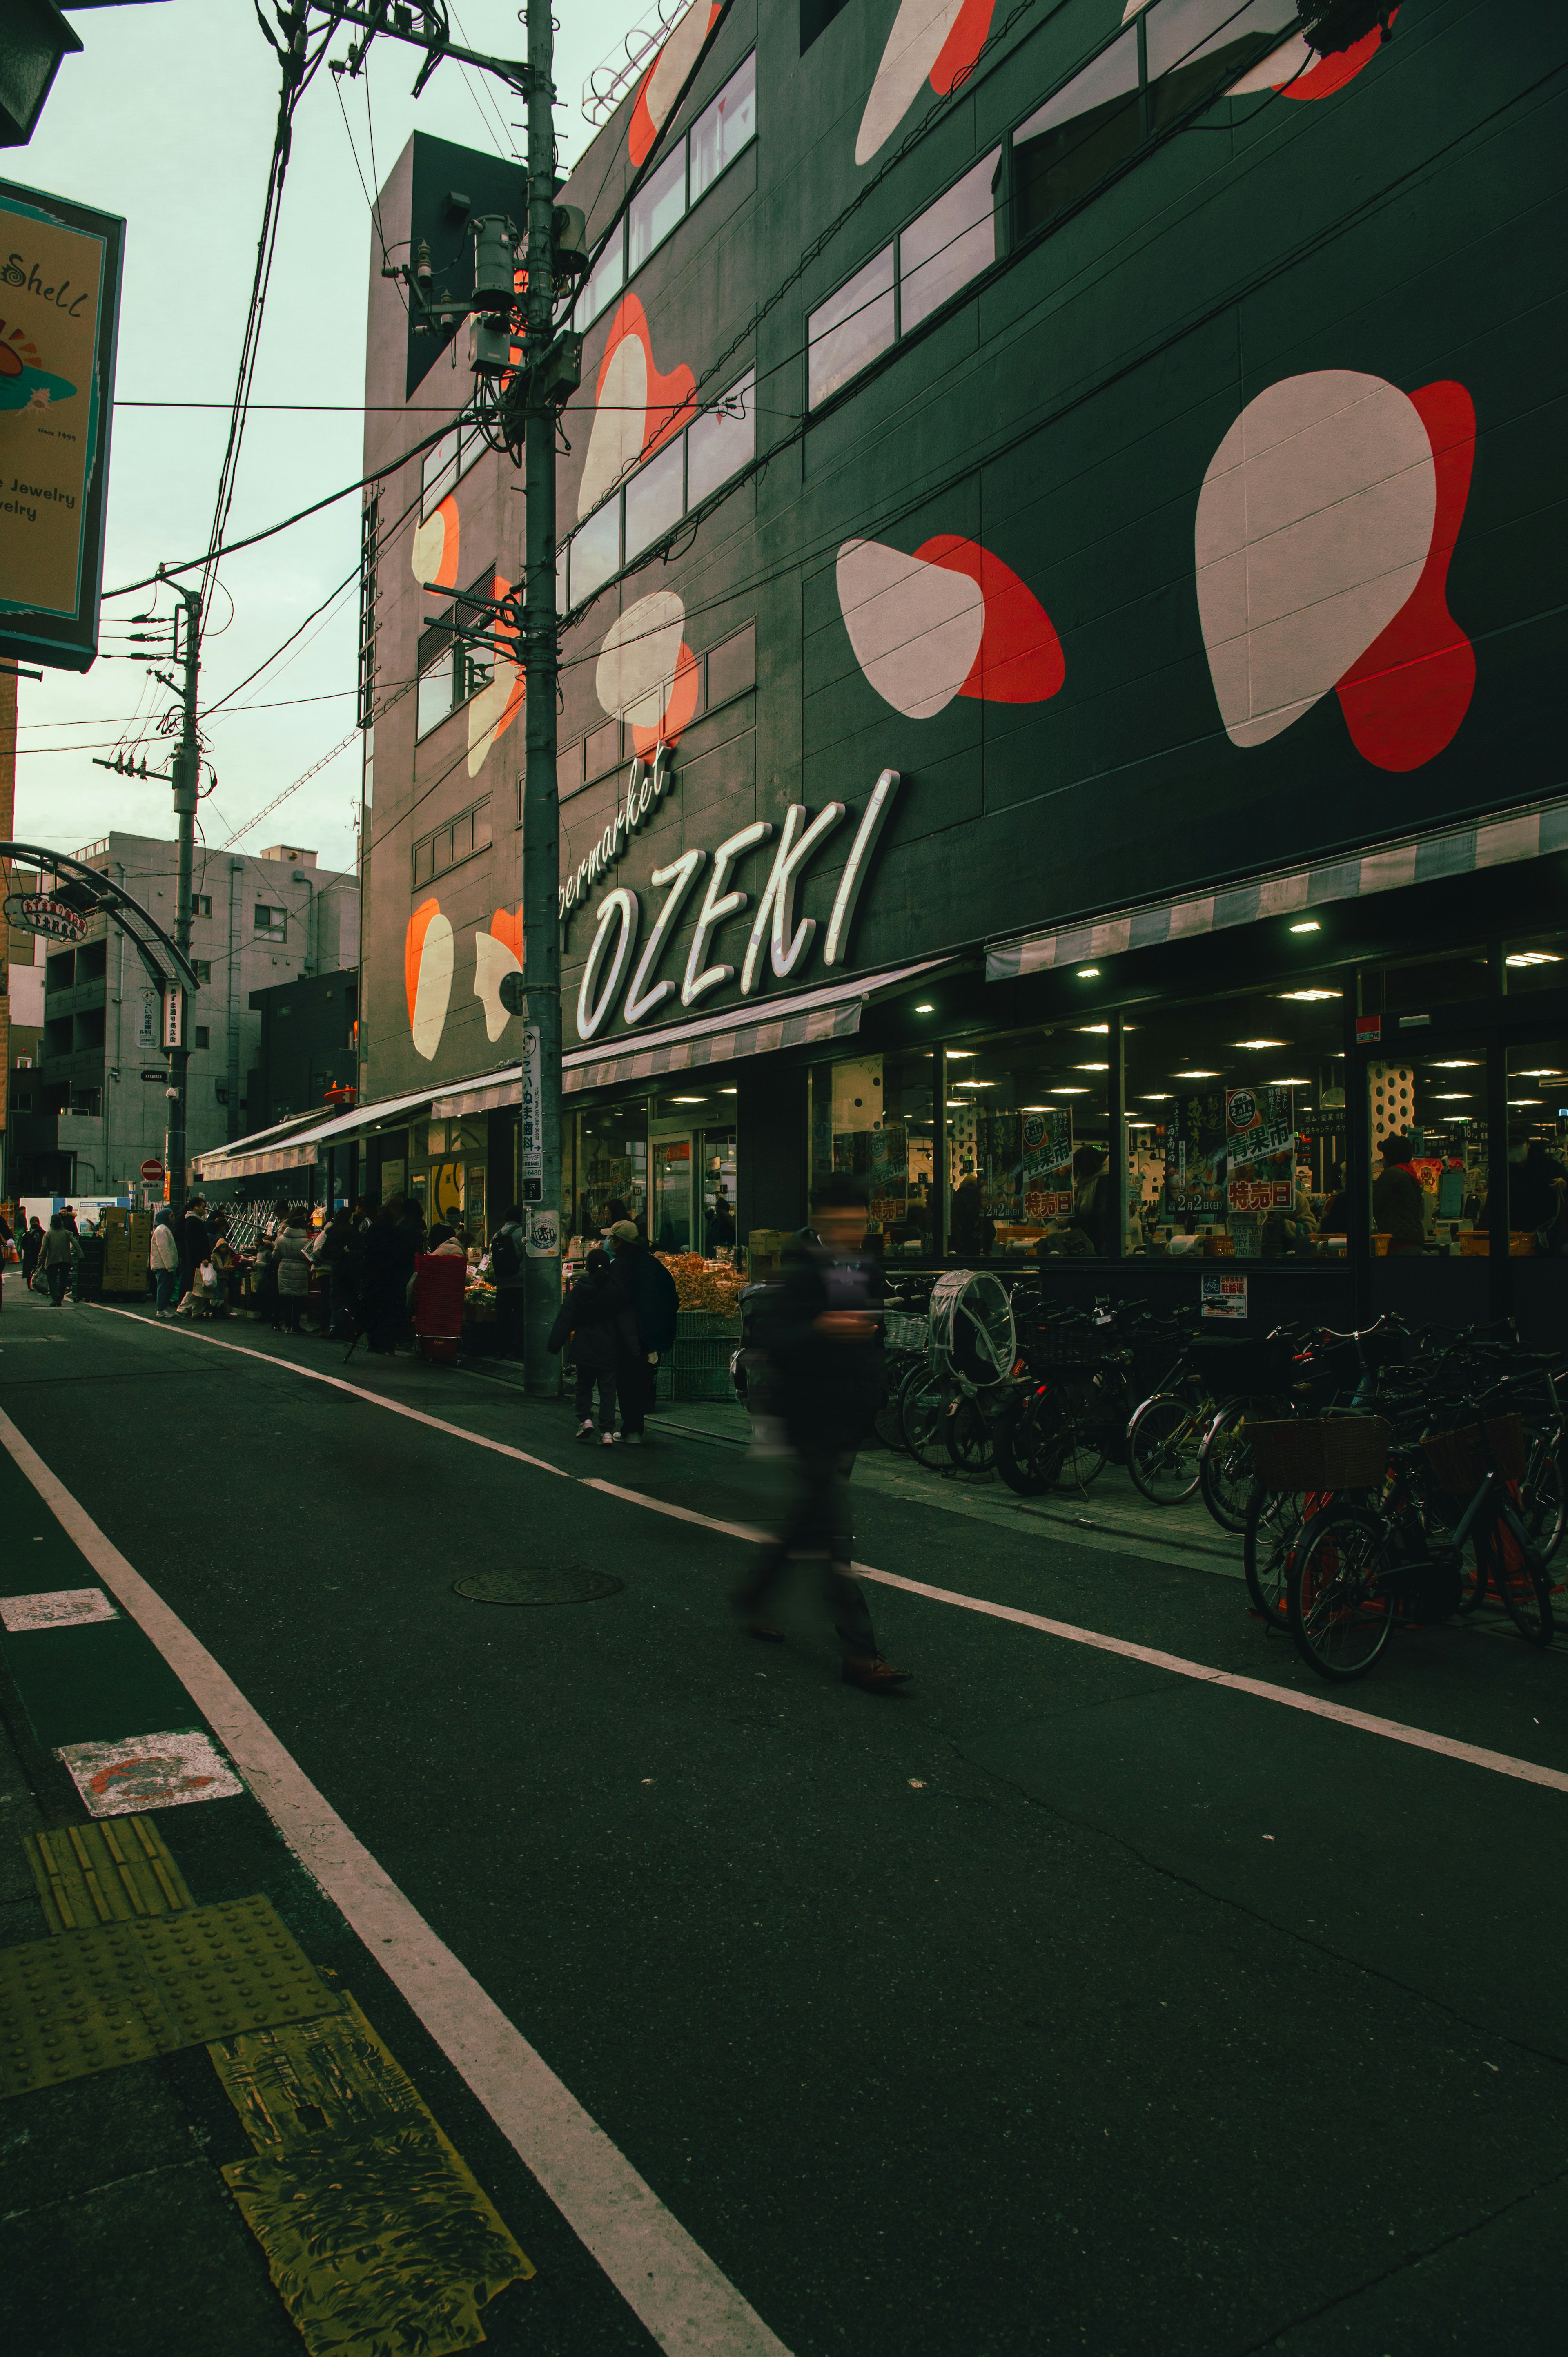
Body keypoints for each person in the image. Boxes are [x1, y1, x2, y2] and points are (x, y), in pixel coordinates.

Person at [737, 1176, 910, 1692]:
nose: (855, 1233)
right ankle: (860, 1653)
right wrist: (823, 1328)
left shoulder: (862, 1267)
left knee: (809, 1522)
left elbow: (869, 1333)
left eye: (861, 1223)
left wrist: (873, 1387)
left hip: (848, 1413)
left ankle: (757, 1597)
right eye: (845, 1223)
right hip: (807, 1414)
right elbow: (770, 1336)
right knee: (834, 1536)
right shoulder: (800, 1269)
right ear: (823, 1220)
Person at [548, 1247, 638, 1445]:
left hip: (585, 1345)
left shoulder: (581, 1288)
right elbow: (626, 1321)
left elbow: (567, 1317)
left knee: (584, 1386)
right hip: (611, 1348)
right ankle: (607, 1432)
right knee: (607, 1390)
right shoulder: (617, 1290)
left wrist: (554, 1344)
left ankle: (586, 1420)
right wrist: (634, 1346)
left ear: (587, 1268)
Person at [604, 1219, 678, 1443]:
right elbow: (672, 1298)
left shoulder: (618, 1266)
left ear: (618, 1243)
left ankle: (631, 1430)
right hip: (653, 1335)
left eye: (611, 1238)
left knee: (626, 1382)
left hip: (628, 1335)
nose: (608, 1242)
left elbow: (614, 1303)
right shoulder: (654, 1265)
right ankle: (636, 1429)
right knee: (644, 1382)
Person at [1372, 1133, 1425, 1255]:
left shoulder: (1393, 1174)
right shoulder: (1409, 1174)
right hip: (1413, 1242)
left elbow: (1373, 1202)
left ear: (1391, 1156)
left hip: (1398, 1244)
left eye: (1384, 1155)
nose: (1383, 1159)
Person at [490, 1203, 526, 1359]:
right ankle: (515, 1351)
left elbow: (494, 1261)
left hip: (502, 1285)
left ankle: (500, 1351)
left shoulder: (496, 1235)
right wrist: (521, 1274)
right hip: (518, 1284)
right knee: (519, 1319)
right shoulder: (521, 1233)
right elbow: (528, 1257)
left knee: (502, 1319)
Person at [271, 1209, 314, 1331]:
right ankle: (295, 1325)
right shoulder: (306, 1241)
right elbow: (310, 1257)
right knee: (298, 1299)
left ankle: (288, 1324)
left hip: (284, 1268)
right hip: (300, 1269)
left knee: (286, 1298)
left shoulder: (281, 1240)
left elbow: (275, 1256)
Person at [147, 1206, 181, 1317]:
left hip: (164, 1264)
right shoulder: (162, 1230)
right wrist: (170, 1266)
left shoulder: (165, 1229)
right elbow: (164, 1249)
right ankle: (162, 1309)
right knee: (164, 1286)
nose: (173, 1218)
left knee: (168, 1286)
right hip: (164, 1265)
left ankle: (164, 1308)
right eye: (171, 1216)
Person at [41, 1212, 76, 1307]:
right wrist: (80, 1255)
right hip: (66, 1260)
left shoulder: (49, 1234)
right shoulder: (67, 1233)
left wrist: (40, 1261)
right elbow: (76, 1244)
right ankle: (60, 1298)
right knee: (63, 1279)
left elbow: (44, 1249)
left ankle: (56, 1298)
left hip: (52, 1260)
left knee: (52, 1279)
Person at [21, 1215, 44, 1287]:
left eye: (35, 1223)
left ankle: (37, 1285)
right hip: (30, 1255)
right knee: (29, 1272)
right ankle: (30, 1285)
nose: (34, 1224)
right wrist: (28, 1251)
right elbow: (23, 1244)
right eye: (32, 1223)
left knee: (39, 1270)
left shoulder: (42, 1233)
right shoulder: (28, 1234)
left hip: (38, 1254)